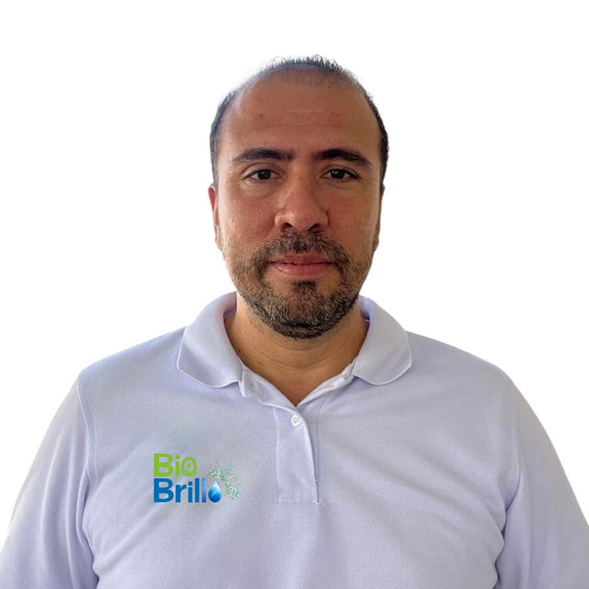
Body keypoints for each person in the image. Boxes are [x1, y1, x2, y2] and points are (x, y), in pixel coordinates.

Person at [0, 55, 587, 589]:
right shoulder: (104, 406)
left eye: (339, 173)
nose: (301, 213)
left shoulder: (485, 410)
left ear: (380, 208)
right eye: (262, 173)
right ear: (215, 212)